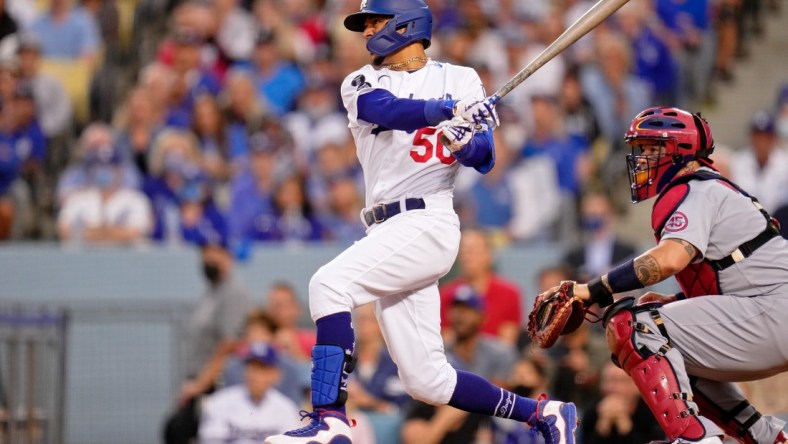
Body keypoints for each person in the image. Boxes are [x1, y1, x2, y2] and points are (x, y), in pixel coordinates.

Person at [264, 1, 577, 443]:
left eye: (376, 20)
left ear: (407, 22)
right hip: (386, 228)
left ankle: (330, 419)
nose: (368, 29)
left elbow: (483, 159)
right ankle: (545, 414)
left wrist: (465, 140)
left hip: (428, 219)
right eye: (366, 22)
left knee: (328, 285)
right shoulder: (361, 81)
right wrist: (444, 113)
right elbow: (388, 110)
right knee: (427, 382)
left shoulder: (462, 77)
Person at [540, 106, 788, 444]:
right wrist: (677, 301)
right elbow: (737, 275)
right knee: (668, 342)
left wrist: (592, 289)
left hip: (774, 311)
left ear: (678, 151)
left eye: (648, 149)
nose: (640, 159)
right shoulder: (708, 188)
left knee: (636, 325)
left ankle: (694, 439)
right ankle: (766, 438)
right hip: (770, 310)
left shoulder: (693, 189)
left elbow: (668, 260)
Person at [163, 239, 252, 444]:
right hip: (198, 378)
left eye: (214, 253)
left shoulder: (233, 292)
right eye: (204, 253)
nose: (207, 259)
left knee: (179, 431)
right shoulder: (212, 290)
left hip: (215, 383)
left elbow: (230, 343)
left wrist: (200, 383)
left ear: (228, 257)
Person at [198, 341, 301, 443]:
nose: (254, 375)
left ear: (275, 374)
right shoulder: (220, 402)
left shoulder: (286, 409)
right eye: (251, 367)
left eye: (262, 368)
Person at [440, 229, 522, 345]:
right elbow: (446, 342)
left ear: (489, 255)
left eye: (472, 251)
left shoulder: (510, 293)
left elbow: (506, 344)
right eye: (463, 252)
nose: (466, 257)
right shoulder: (446, 294)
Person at [581, 362, 665, 443]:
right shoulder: (592, 410)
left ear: (637, 386)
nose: (614, 387)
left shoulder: (652, 413)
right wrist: (603, 426)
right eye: (609, 380)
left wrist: (625, 425)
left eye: (622, 381)